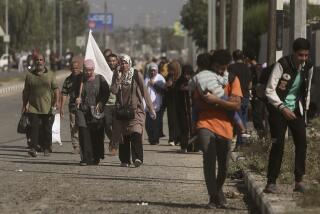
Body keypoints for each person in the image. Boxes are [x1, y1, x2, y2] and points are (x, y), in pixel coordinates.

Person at [263, 38, 313, 193]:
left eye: (305, 55)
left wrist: (304, 111)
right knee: (278, 145)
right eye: (300, 55)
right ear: (294, 53)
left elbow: (307, 90)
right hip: (279, 110)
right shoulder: (282, 65)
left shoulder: (308, 67)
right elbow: (269, 90)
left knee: (302, 143)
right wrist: (282, 107)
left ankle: (299, 181)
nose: (303, 59)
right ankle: (271, 182)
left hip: (296, 110)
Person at [193, 50, 242, 208]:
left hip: (226, 126)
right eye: (217, 67)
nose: (220, 70)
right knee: (208, 159)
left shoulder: (232, 79)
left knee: (224, 166)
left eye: (223, 67)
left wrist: (216, 100)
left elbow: (236, 104)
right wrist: (210, 102)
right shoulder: (204, 77)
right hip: (205, 124)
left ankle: (217, 192)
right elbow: (197, 104)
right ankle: (213, 197)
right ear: (212, 65)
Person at [111, 54, 155, 167]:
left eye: (125, 62)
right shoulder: (116, 75)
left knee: (136, 132)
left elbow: (145, 91)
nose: (123, 65)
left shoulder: (136, 74)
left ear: (129, 63)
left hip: (136, 110)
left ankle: (137, 158)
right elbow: (114, 91)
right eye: (121, 63)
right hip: (122, 111)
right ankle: (125, 160)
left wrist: (151, 109)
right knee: (124, 135)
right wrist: (117, 77)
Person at [22, 53, 60, 157]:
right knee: (33, 128)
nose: (39, 61)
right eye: (37, 60)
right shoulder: (29, 75)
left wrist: (56, 102)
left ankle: (47, 147)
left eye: (41, 60)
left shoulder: (50, 74)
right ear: (34, 62)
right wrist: (24, 104)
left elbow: (56, 89)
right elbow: (26, 91)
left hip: (47, 107)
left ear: (44, 61)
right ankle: (33, 148)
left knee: (46, 128)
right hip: (33, 107)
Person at [76, 59, 110, 166]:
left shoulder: (100, 78)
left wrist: (101, 102)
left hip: (96, 111)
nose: (88, 72)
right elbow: (73, 93)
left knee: (96, 134)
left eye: (90, 70)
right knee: (83, 132)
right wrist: (77, 99)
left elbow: (106, 93)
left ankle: (96, 156)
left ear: (93, 69)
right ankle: (85, 158)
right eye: (86, 70)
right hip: (83, 110)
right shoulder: (80, 80)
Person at [229, 50, 252, 148]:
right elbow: (250, 84)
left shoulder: (231, 68)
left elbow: (228, 81)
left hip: (234, 96)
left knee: (236, 119)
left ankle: (237, 143)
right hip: (245, 96)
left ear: (233, 57)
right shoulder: (247, 68)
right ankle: (242, 142)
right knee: (243, 119)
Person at [60, 56, 83, 154]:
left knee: (83, 126)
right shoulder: (68, 80)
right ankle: (76, 146)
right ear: (70, 69)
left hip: (83, 107)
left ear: (80, 68)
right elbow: (64, 94)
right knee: (73, 126)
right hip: (73, 107)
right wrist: (61, 107)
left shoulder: (84, 78)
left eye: (77, 68)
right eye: (73, 68)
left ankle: (84, 145)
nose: (75, 70)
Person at [144, 62, 166, 145]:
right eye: (151, 71)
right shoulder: (146, 79)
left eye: (154, 71)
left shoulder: (160, 78)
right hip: (148, 106)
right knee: (148, 125)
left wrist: (154, 84)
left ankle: (155, 139)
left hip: (158, 105)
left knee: (156, 124)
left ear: (157, 71)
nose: (152, 72)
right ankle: (151, 138)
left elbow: (163, 91)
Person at [175, 64, 194, 153]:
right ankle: (184, 146)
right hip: (183, 109)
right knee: (184, 128)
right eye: (185, 74)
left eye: (188, 74)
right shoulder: (180, 81)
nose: (187, 76)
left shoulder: (193, 81)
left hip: (191, 109)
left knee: (192, 128)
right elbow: (177, 91)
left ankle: (192, 146)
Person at [104, 53, 119, 155]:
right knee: (106, 125)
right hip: (106, 104)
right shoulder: (103, 72)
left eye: (113, 61)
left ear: (116, 61)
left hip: (118, 103)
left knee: (116, 126)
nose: (111, 62)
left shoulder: (120, 72)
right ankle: (113, 140)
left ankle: (115, 145)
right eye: (110, 61)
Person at [165, 60, 182, 146]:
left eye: (172, 69)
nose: (170, 71)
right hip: (170, 101)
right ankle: (172, 138)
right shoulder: (169, 76)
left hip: (179, 101)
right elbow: (167, 86)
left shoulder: (180, 77)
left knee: (179, 121)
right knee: (171, 120)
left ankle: (178, 139)